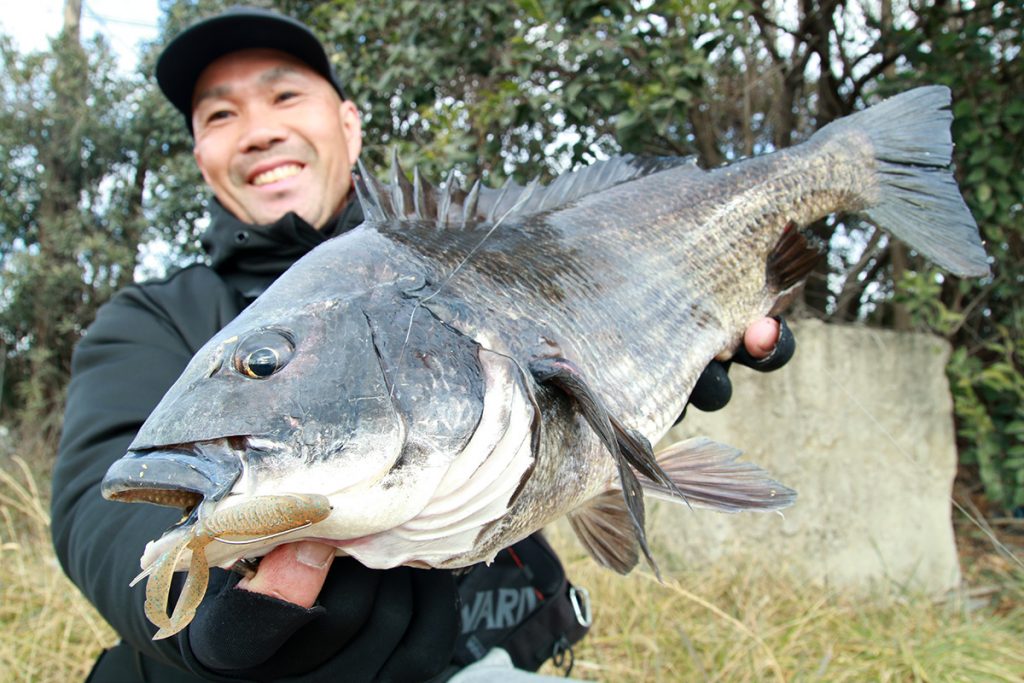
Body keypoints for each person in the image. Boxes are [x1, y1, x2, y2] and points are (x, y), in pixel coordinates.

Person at [51, 7, 794, 682]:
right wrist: (211, 611)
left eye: (284, 97)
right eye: (219, 114)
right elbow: (98, 503)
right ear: (201, 155)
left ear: (349, 123)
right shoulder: (146, 318)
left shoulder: (480, 251)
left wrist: (642, 394)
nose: (257, 129)